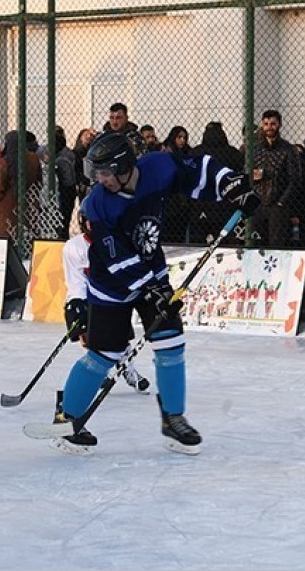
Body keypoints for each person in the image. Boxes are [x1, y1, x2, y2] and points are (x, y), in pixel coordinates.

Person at [48, 132, 259, 456]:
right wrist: (152, 289)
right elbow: (117, 259)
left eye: (105, 173)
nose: (100, 180)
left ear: (123, 167)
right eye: (96, 173)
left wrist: (229, 184)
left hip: (152, 272)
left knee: (171, 342)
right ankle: (68, 417)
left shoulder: (158, 167)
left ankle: (173, 419)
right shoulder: (99, 204)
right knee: (105, 354)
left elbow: (196, 170)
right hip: (112, 285)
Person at [53, 212, 151, 454]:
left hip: (111, 302)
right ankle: (67, 411)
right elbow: (75, 282)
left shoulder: (118, 242)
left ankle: (126, 368)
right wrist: (78, 306)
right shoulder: (74, 247)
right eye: (90, 220)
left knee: (116, 344)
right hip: (86, 302)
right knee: (97, 354)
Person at [250, 109, 300, 247]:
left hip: (277, 204)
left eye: (273, 124)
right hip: (258, 202)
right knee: (258, 244)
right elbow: (246, 173)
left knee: (276, 244)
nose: (269, 127)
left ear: (279, 125)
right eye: (266, 124)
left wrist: (281, 203)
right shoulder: (255, 149)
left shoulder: (288, 149)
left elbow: (295, 179)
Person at [190, 121, 245, 244]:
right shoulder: (231, 152)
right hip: (224, 201)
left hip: (201, 202)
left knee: (198, 238)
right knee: (224, 237)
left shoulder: (196, 152)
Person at [0, 130, 43, 239]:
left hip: (8, 204)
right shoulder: (33, 158)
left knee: (8, 235)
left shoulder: (5, 161)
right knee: (28, 233)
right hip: (29, 200)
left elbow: (0, 185)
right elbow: (39, 181)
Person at [53, 127, 78, 240]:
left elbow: (68, 179)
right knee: (63, 221)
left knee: (63, 220)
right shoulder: (67, 153)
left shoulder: (63, 157)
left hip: (65, 191)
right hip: (66, 191)